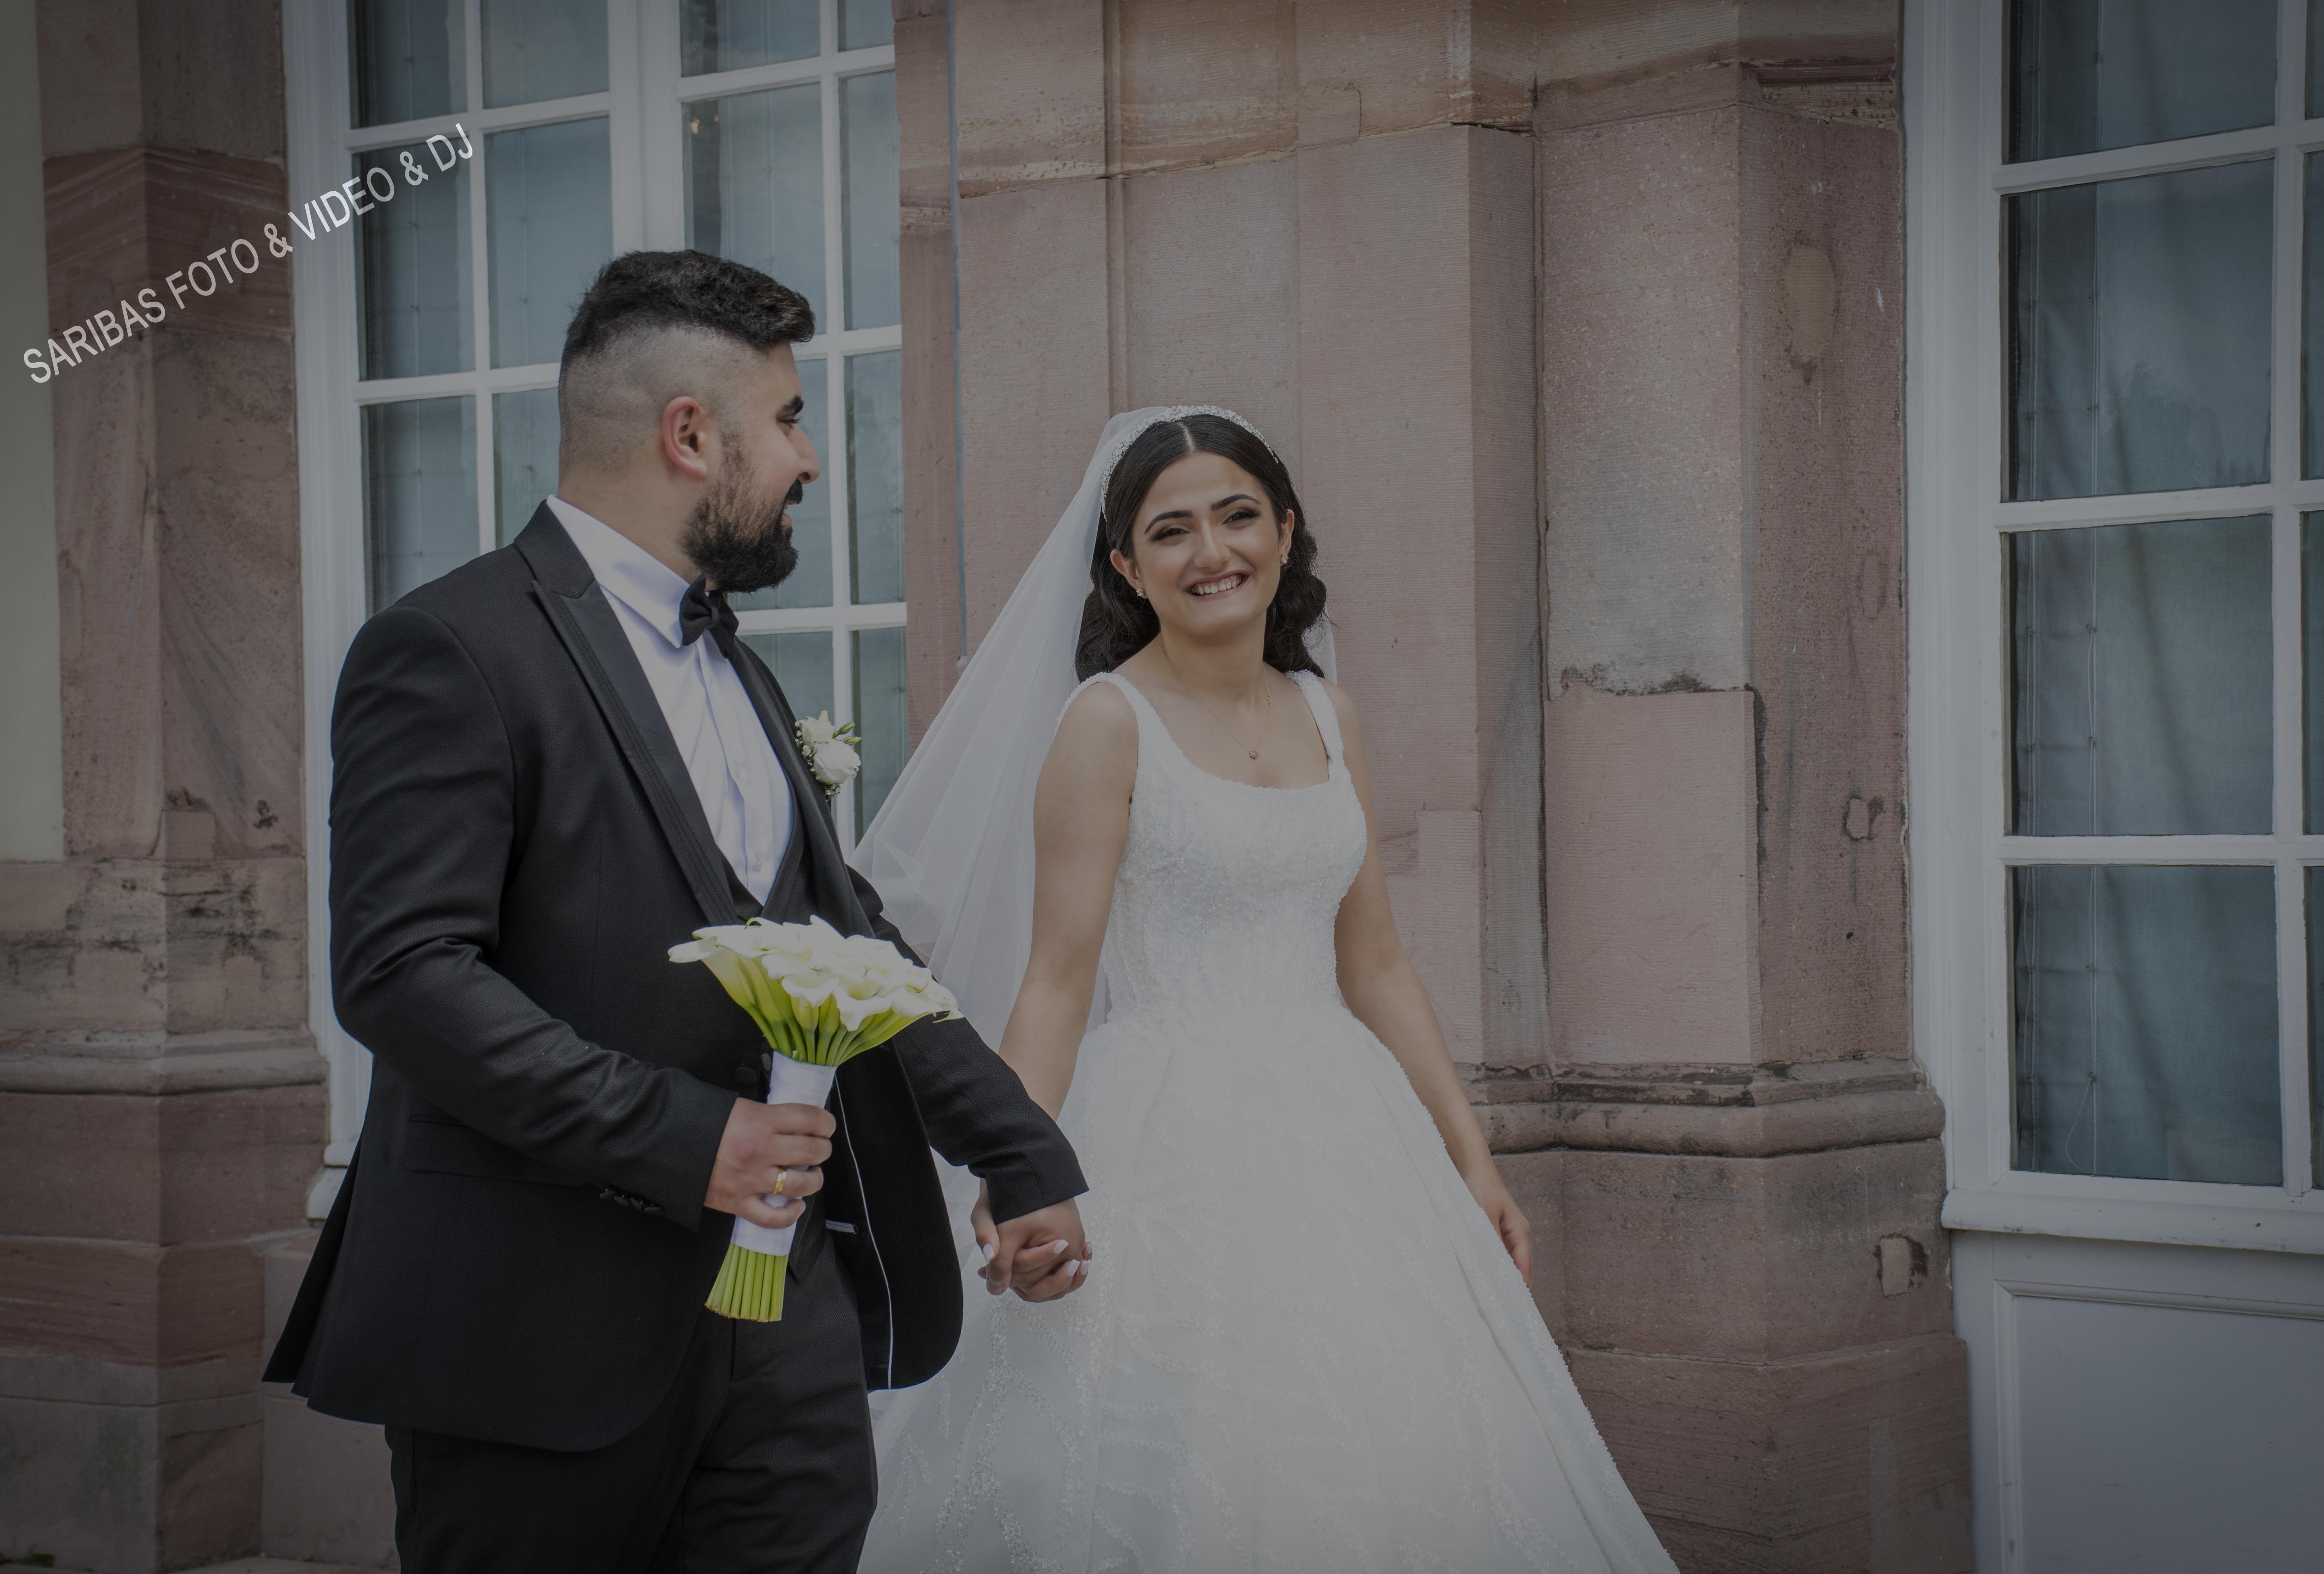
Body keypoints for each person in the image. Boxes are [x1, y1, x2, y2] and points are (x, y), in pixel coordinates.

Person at [263, 250, 1091, 1574]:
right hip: (536, 1317)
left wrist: (1016, 1149)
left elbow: (843, 943)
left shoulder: (739, 668)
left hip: (785, 1310)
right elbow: (404, 971)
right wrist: (689, 1135)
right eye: (790, 420)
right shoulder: (449, 647)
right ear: (691, 436)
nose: (808, 459)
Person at [851, 407, 1679, 1571]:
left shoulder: (1330, 714)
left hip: (1349, 1128)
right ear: (1127, 567)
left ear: (1285, 534)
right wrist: (1012, 1167)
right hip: (1161, 1129)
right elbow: (1057, 982)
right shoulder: (1106, 724)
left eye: (1238, 517)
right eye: (1171, 531)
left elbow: (1375, 960)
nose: (1213, 552)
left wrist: (1472, 1157)